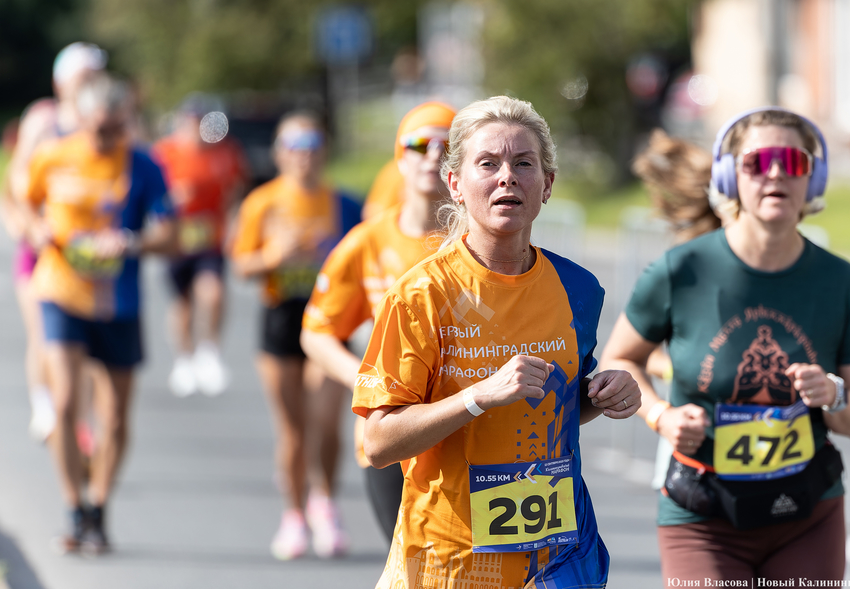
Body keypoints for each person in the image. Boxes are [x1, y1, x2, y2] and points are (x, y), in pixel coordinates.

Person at [353, 95, 640, 588]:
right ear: (456, 185)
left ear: (546, 185)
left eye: (523, 163)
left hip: (555, 556)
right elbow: (377, 443)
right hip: (450, 560)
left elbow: (561, 403)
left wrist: (607, 392)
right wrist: (477, 397)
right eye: (487, 164)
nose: (506, 176)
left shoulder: (579, 289)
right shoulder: (422, 294)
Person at [600, 107, 850, 585]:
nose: (775, 173)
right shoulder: (678, 271)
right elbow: (619, 360)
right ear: (729, 176)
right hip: (702, 513)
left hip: (808, 513)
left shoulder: (841, 282)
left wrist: (831, 395)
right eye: (757, 161)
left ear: (814, 177)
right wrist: (661, 416)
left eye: (792, 161)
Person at [21, 73, 177, 555]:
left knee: (113, 418)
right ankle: (73, 508)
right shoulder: (53, 155)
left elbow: (169, 233)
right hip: (61, 290)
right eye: (98, 128)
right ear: (81, 120)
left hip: (118, 301)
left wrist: (130, 242)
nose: (106, 138)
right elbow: (23, 204)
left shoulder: (143, 165)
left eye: (116, 128)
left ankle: (99, 508)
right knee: (65, 403)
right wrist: (37, 231)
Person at [301, 101, 456, 543]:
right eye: (420, 144)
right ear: (399, 157)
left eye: (447, 146)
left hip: (475, 435)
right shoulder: (368, 241)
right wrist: (369, 381)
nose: (433, 155)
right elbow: (317, 332)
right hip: (396, 436)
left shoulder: (486, 242)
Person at [230, 111, 361, 560]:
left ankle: (324, 502)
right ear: (279, 153)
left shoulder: (343, 204)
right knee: (292, 430)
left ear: (323, 152)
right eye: (294, 146)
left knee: (326, 420)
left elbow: (367, 261)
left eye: (311, 146)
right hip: (281, 320)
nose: (303, 156)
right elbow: (241, 264)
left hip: (331, 322)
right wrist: (275, 256)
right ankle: (294, 515)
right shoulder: (262, 203)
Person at [3, 42, 107, 442]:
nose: (88, 84)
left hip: (88, 249)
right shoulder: (43, 120)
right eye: (82, 77)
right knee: (44, 332)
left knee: (85, 344)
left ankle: (76, 418)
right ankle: (44, 404)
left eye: (95, 77)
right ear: (61, 81)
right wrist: (23, 222)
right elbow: (17, 178)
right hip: (43, 245)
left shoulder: (105, 121)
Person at [153, 94, 248, 397]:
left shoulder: (226, 152)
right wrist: (172, 201)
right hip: (177, 238)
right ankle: (184, 359)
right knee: (182, 304)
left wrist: (232, 221)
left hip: (210, 238)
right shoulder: (164, 153)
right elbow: (150, 196)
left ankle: (210, 351)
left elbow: (236, 188)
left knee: (213, 292)